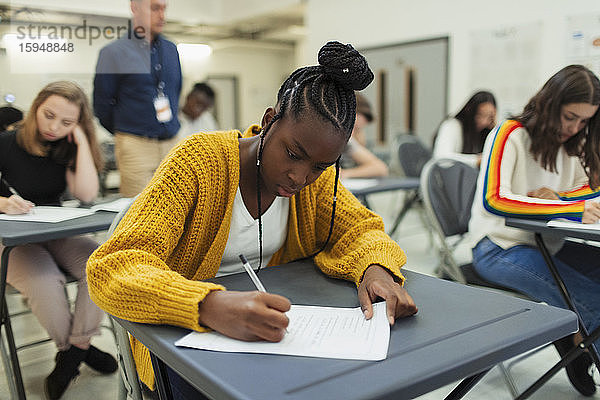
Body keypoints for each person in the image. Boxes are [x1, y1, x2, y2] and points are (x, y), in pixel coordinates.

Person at [87, 41, 418, 399]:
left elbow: (361, 229)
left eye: (319, 167)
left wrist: (376, 269)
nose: (299, 177)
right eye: (293, 154)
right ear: (268, 121)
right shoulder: (198, 164)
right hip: (183, 340)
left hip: (269, 340)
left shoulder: (313, 185)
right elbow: (114, 266)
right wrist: (206, 305)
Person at [469, 65, 600, 396]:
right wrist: (568, 207)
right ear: (550, 103)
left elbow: (587, 191)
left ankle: (574, 341)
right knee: (595, 301)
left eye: (585, 121)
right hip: (497, 246)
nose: (574, 128)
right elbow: (494, 200)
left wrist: (558, 198)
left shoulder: (572, 143)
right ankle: (577, 341)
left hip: (548, 243)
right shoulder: (509, 133)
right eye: (570, 117)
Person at [0, 81, 117, 400]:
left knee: (101, 265)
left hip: (52, 228)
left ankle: (73, 351)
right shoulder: (6, 142)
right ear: (36, 106)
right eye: (48, 115)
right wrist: (4, 204)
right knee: (44, 279)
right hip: (10, 236)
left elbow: (86, 194)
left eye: (66, 122)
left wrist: (80, 139)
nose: (53, 127)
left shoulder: (68, 144)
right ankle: (79, 351)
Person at [93, 0, 182, 198]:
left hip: (171, 142)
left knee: (178, 206)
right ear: (134, 7)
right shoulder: (113, 52)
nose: (162, 15)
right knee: (139, 212)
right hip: (135, 145)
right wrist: (126, 131)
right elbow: (102, 105)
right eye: (155, 8)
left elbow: (176, 91)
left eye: (164, 8)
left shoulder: (171, 50)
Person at [432, 91, 496, 167]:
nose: (484, 121)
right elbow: (442, 158)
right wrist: (476, 160)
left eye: (490, 117)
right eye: (480, 115)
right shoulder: (452, 125)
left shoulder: (485, 132)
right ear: (470, 111)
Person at [340, 93, 389, 179]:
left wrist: (345, 173)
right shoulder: (340, 136)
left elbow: (380, 168)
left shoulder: (349, 141)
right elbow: (380, 168)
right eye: (356, 129)